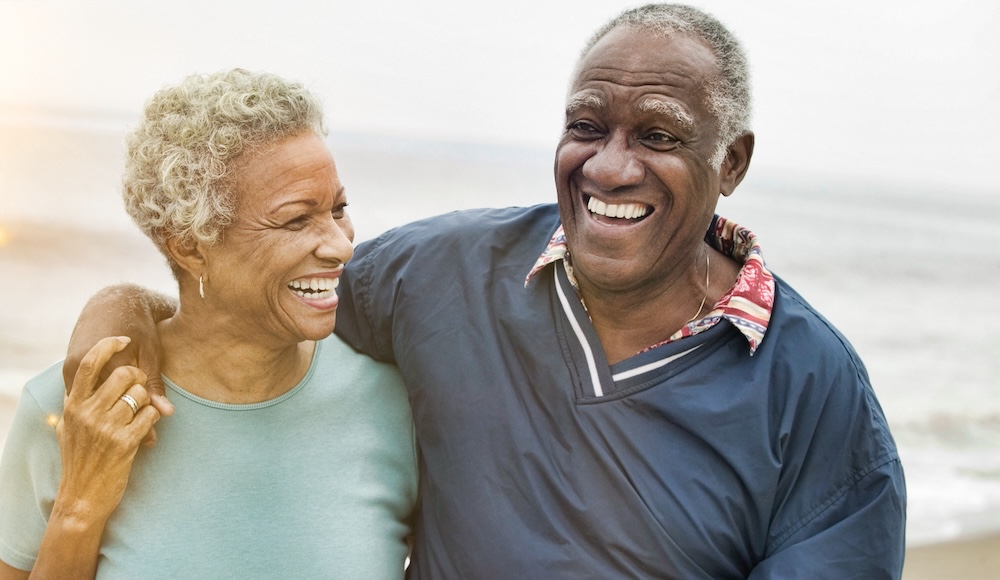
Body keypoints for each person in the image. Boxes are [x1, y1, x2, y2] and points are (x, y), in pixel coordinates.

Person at [66, 4, 906, 577]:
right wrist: (115, 318)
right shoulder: (442, 273)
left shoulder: (814, 388)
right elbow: (252, 302)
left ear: (732, 163)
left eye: (658, 134)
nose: (611, 165)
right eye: (587, 126)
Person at [0, 69, 417, 579]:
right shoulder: (73, 411)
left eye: (338, 209)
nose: (341, 245)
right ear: (190, 245)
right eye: (296, 219)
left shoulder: (395, 404)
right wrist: (79, 508)